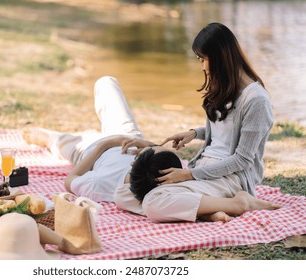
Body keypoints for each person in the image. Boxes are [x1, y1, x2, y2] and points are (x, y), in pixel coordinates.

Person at [115, 22, 280, 223]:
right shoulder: (224, 86)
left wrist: (189, 175)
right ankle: (206, 211)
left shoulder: (256, 100)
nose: (202, 66)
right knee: (123, 192)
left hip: (231, 178)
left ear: (220, 56)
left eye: (203, 59)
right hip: (204, 168)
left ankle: (240, 203)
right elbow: (224, 131)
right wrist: (195, 133)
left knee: (152, 202)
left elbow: (242, 160)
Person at [23, 76, 183, 203]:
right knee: (106, 82)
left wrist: (104, 145)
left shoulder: (101, 183)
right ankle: (88, 134)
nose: (153, 147)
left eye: (151, 149)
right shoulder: (167, 170)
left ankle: (49, 137)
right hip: (127, 136)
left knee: (57, 141)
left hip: (90, 150)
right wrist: (145, 144)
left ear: (136, 160)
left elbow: (70, 180)